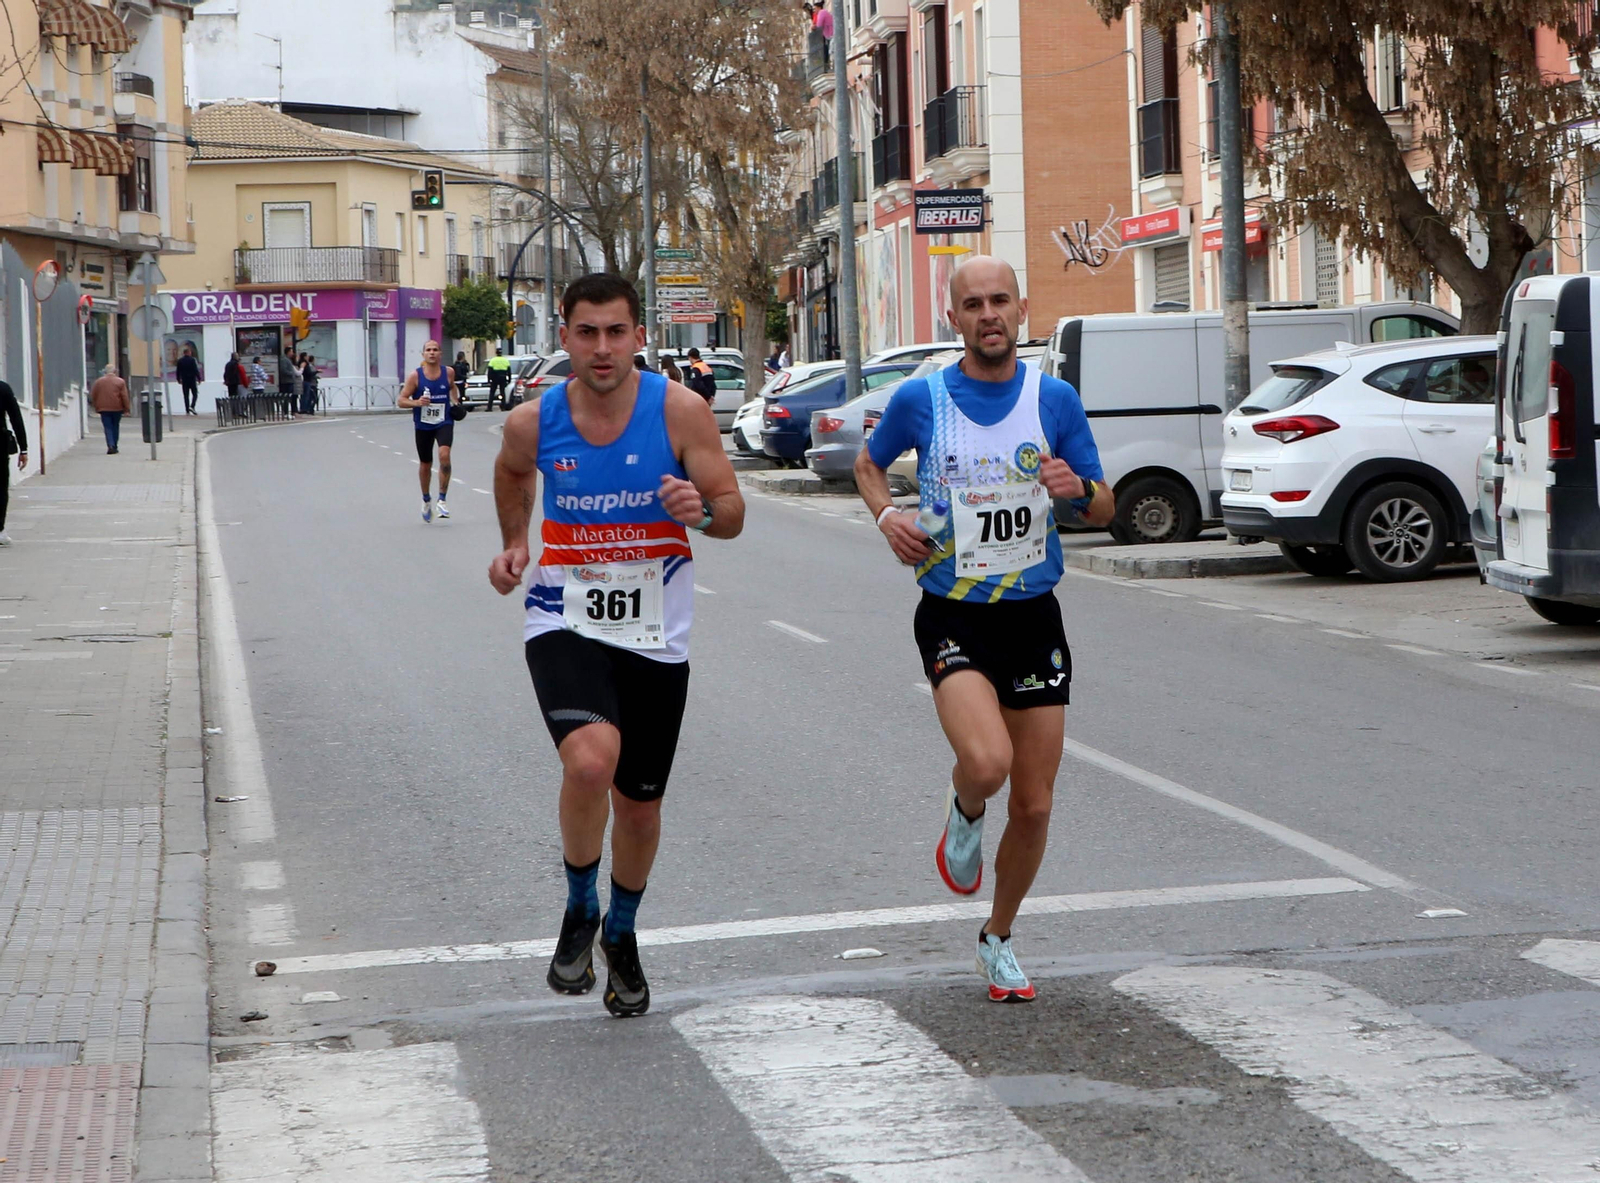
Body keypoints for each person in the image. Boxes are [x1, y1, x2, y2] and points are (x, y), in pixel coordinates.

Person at [853, 255, 1114, 1004]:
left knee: (1034, 804)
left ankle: (997, 937)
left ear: (1021, 309)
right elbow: (869, 465)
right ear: (954, 317)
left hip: (1033, 614)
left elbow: (1103, 504)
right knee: (988, 761)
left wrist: (1078, 487)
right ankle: (965, 810)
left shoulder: (1053, 398)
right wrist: (887, 516)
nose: (989, 314)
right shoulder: (923, 397)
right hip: (954, 611)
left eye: (1000, 300)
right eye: (973, 304)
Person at [487, 272, 745, 1017]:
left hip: (655, 633)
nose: (602, 348)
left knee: (638, 807)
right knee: (591, 761)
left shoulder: (681, 411)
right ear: (563, 336)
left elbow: (731, 512)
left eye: (616, 332)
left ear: (639, 336)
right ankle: (579, 905)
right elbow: (512, 472)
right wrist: (515, 542)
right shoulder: (534, 421)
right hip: (563, 616)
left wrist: (700, 512)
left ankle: (621, 932)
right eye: (587, 332)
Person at [397, 340, 460, 523]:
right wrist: (417, 403)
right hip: (423, 424)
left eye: (435, 350)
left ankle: (442, 499)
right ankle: (426, 499)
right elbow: (401, 400)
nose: (432, 353)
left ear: (440, 353)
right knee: (426, 464)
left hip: (444, 421)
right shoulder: (415, 376)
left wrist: (456, 403)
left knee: (444, 454)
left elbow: (452, 387)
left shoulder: (448, 372)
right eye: (428, 350)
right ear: (423, 354)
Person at [0, 378, 27, 547]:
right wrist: (23, 449)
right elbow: (16, 418)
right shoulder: (3, 389)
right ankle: (0, 530)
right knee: (1, 488)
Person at [89, 365, 131, 454]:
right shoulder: (120, 382)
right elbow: (124, 396)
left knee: (107, 427)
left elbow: (93, 395)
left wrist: (95, 406)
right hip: (117, 408)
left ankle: (110, 445)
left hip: (103, 408)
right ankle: (114, 445)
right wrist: (126, 409)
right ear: (115, 371)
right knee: (115, 426)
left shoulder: (98, 382)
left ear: (105, 371)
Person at [175, 348, 201, 415]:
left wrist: (178, 379)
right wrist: (199, 378)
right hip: (192, 379)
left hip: (184, 380)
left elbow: (178, 371)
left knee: (186, 395)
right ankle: (192, 406)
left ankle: (187, 410)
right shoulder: (192, 360)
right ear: (189, 353)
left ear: (184, 353)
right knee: (195, 394)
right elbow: (195, 370)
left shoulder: (180, 361)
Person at [279, 344, 300, 419]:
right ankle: (286, 412)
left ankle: (292, 411)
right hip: (286, 382)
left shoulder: (288, 360)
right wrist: (292, 374)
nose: (292, 353)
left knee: (291, 397)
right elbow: (283, 370)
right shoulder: (284, 360)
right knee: (287, 397)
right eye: (291, 352)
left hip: (290, 381)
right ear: (288, 352)